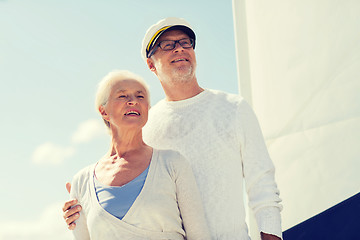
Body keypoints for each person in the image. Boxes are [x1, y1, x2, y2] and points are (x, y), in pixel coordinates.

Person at [63, 17, 283, 240]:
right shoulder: (147, 122)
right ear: (151, 64)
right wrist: (83, 204)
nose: (179, 48)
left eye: (186, 42)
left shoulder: (233, 108)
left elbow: (263, 188)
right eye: (168, 45)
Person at [66, 70, 210, 240]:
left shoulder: (172, 163)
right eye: (123, 96)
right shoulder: (82, 182)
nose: (133, 101)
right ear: (103, 111)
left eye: (140, 96)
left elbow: (199, 235)